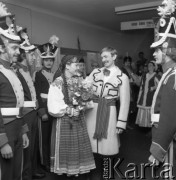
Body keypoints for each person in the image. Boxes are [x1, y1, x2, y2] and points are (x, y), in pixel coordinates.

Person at [47, 55, 95, 178]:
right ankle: (68, 172)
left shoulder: (79, 80)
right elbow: (53, 106)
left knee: (79, 147)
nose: (78, 67)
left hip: (79, 120)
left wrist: (82, 105)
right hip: (65, 121)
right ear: (67, 66)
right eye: (75, 64)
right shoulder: (58, 82)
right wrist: (70, 110)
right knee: (68, 149)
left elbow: (86, 99)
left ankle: (77, 171)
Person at [86, 47, 130, 180]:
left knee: (108, 147)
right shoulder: (95, 72)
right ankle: (91, 174)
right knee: (91, 145)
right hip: (92, 112)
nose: (103, 59)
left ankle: (107, 175)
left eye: (106, 57)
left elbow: (125, 102)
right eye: (102, 57)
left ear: (114, 56)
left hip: (110, 113)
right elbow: (84, 88)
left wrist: (121, 123)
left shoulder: (123, 77)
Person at [0, 4, 29, 180]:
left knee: (17, 171)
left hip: (17, 127)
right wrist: (2, 141)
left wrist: (24, 129)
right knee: (6, 173)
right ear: (2, 48)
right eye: (14, 48)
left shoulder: (12, 70)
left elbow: (20, 102)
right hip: (5, 128)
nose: (18, 53)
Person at [148, 0, 176, 177]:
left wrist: (157, 150)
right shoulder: (168, 73)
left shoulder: (173, 76)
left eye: (157, 50)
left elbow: (170, 117)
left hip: (167, 140)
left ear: (166, 50)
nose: (153, 53)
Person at [14, 27, 45, 180]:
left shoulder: (26, 70)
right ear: (24, 54)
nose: (34, 57)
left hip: (33, 112)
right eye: (31, 54)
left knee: (33, 146)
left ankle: (32, 171)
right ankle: (26, 175)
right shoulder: (17, 71)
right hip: (25, 114)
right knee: (26, 148)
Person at [35, 35, 59, 171]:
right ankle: (44, 162)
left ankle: (53, 160)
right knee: (44, 138)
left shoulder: (56, 74)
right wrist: (42, 111)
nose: (49, 62)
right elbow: (37, 94)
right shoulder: (37, 74)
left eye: (51, 60)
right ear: (42, 61)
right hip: (44, 110)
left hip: (55, 109)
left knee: (53, 137)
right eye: (46, 60)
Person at [136, 61, 159, 128]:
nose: (149, 67)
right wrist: (140, 94)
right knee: (143, 107)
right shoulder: (144, 75)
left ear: (154, 67)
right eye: (148, 65)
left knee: (150, 108)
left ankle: (151, 124)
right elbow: (141, 85)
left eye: (151, 65)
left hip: (150, 95)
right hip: (143, 94)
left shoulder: (156, 75)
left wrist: (153, 87)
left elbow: (160, 85)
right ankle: (143, 124)